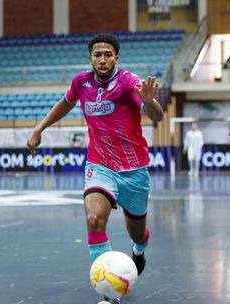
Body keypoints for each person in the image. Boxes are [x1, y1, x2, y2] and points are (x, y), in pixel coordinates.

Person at [26, 33, 163, 304]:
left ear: (116, 58)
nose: (103, 59)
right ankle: (107, 289)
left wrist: (148, 101)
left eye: (108, 54)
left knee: (137, 232)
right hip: (99, 165)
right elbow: (66, 103)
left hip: (134, 170)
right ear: (90, 58)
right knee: (93, 219)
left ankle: (139, 249)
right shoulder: (81, 81)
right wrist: (39, 128)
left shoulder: (127, 81)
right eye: (98, 54)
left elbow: (157, 115)